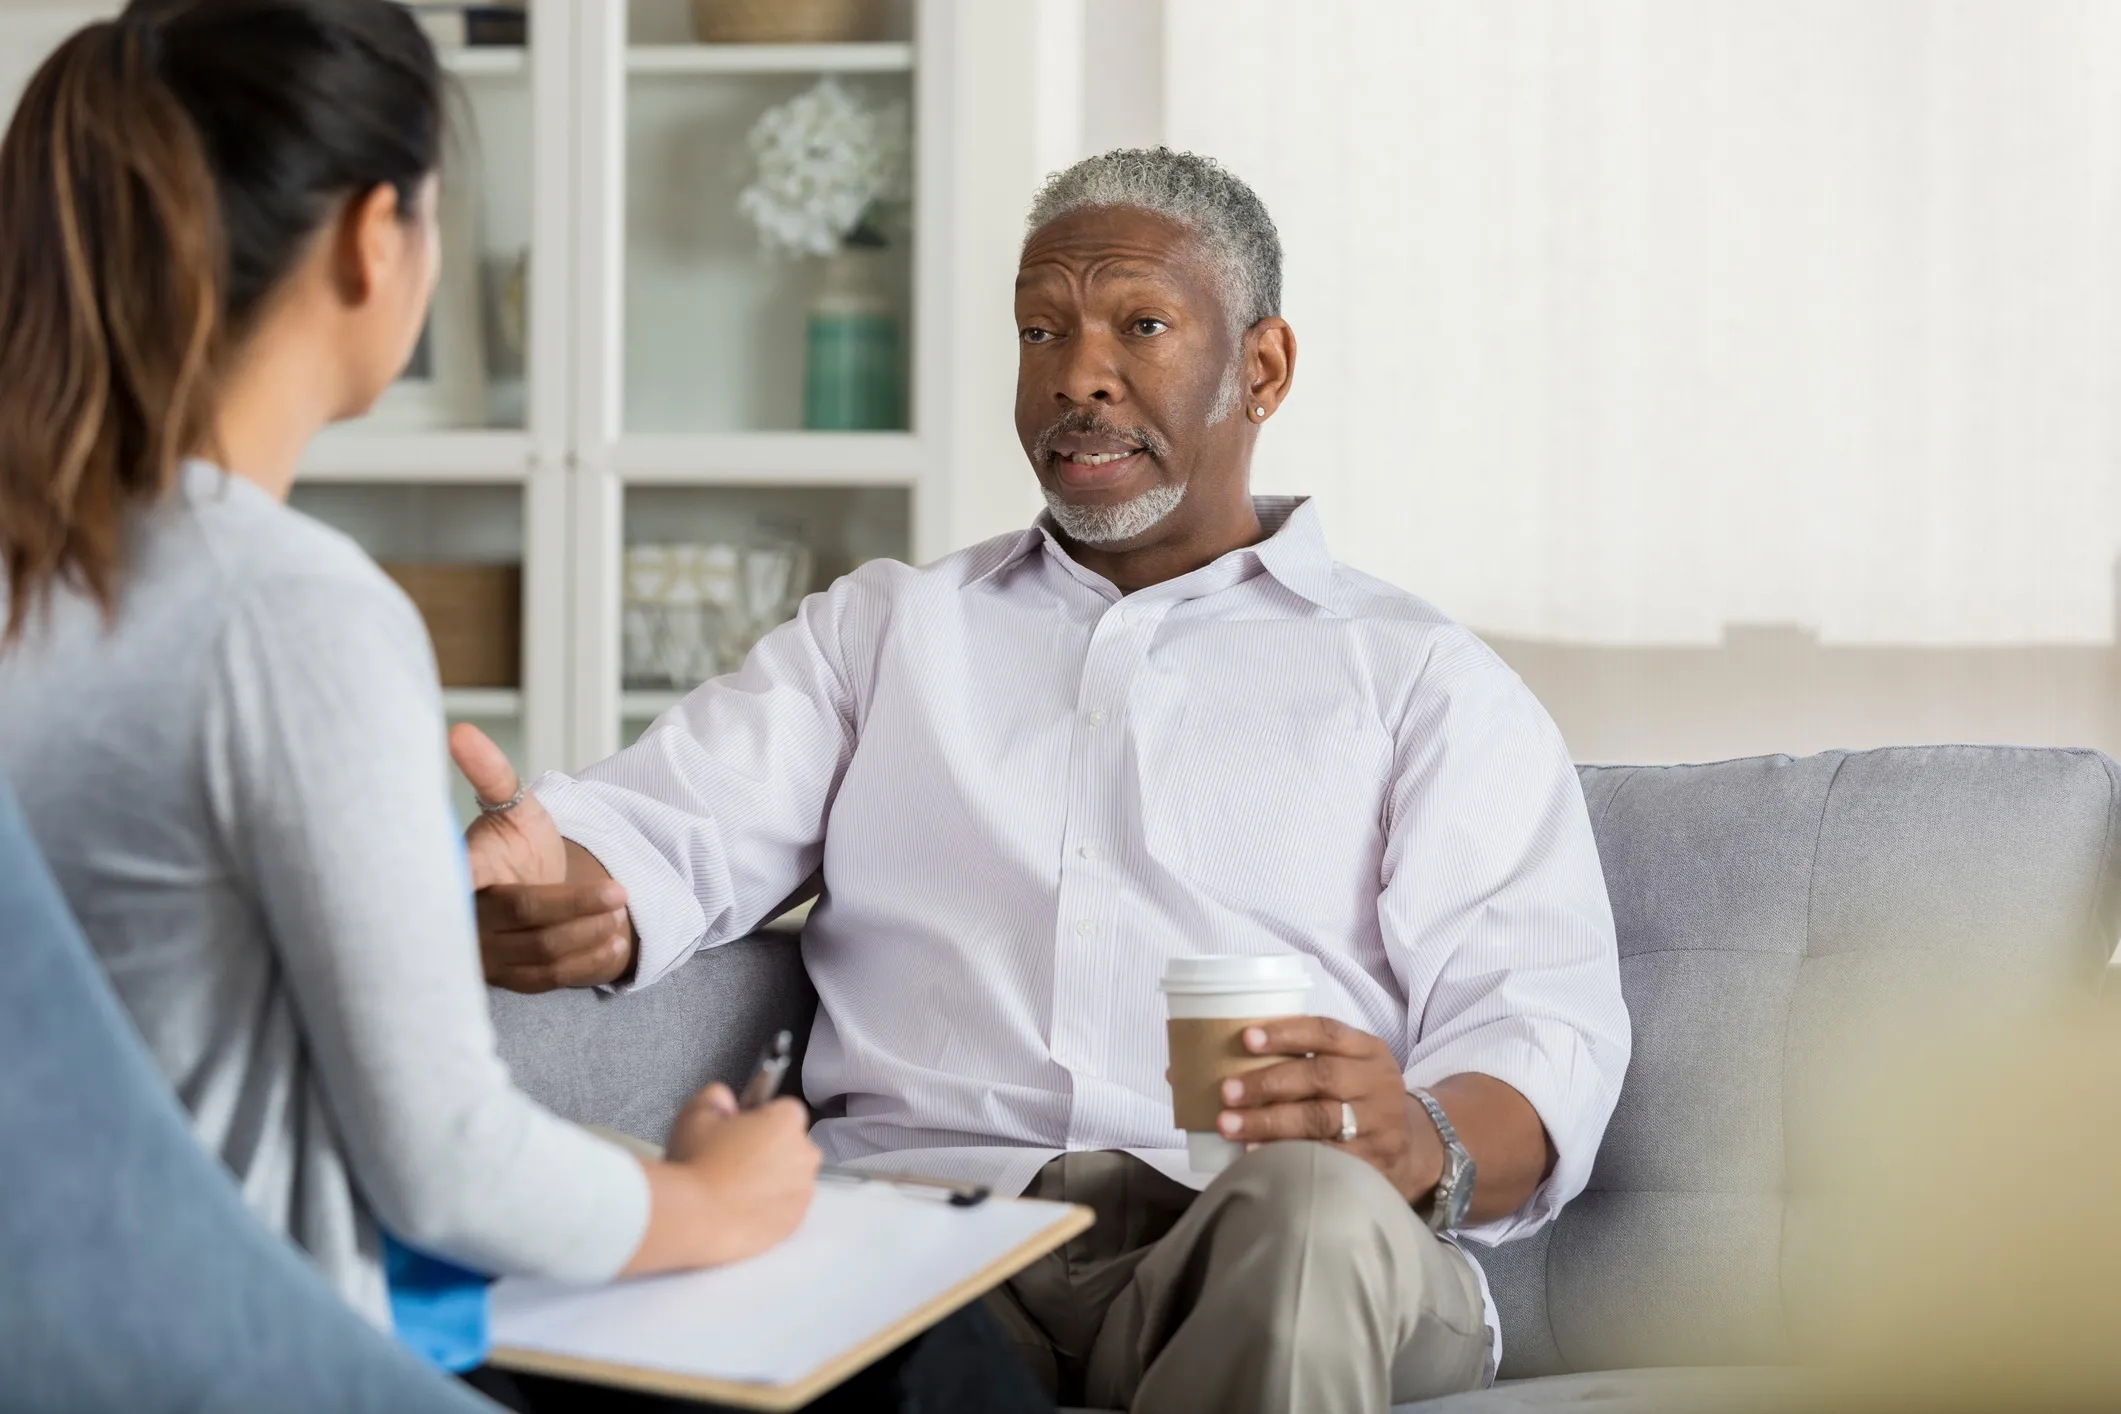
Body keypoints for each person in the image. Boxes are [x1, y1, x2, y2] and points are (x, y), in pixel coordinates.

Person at [459, 147, 1633, 1413]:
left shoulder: (1419, 680)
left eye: (1140, 324)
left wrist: (1418, 1136)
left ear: (1264, 366)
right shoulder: (887, 634)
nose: (1077, 374)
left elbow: (1540, 1030)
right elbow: (659, 833)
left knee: (1310, 1214)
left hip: (1268, 1235)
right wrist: (568, 883)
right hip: (934, 1233)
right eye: (1040, 329)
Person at [0, 6, 1046, 1412]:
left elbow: (163, 1028)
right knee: (945, 1364)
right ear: (379, 237)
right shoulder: (288, 611)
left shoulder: (51, 573)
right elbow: (442, 1156)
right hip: (247, 1360)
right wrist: (713, 1201)